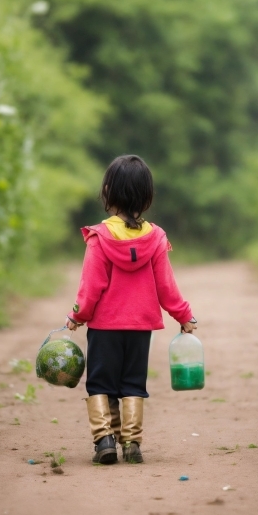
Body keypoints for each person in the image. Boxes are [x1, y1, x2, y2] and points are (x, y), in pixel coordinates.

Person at [66, 154, 197, 465]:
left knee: (100, 384)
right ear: (147, 195)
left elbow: (91, 286)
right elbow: (167, 287)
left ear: (108, 191)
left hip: (104, 328)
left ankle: (104, 441)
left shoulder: (99, 237)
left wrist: (77, 316)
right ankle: (133, 444)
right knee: (133, 383)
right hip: (140, 328)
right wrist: (184, 316)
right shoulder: (155, 237)